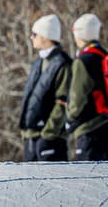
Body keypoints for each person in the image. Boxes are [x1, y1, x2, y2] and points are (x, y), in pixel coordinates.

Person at [19, 14, 71, 161]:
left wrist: (48, 134)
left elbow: (63, 101)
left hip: (50, 139)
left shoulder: (63, 63)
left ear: (45, 37)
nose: (31, 37)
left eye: (34, 34)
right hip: (31, 138)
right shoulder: (37, 63)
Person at [66, 13, 108, 160]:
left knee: (86, 179)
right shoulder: (105, 56)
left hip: (89, 129)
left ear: (79, 34)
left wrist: (70, 119)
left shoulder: (83, 61)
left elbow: (77, 97)